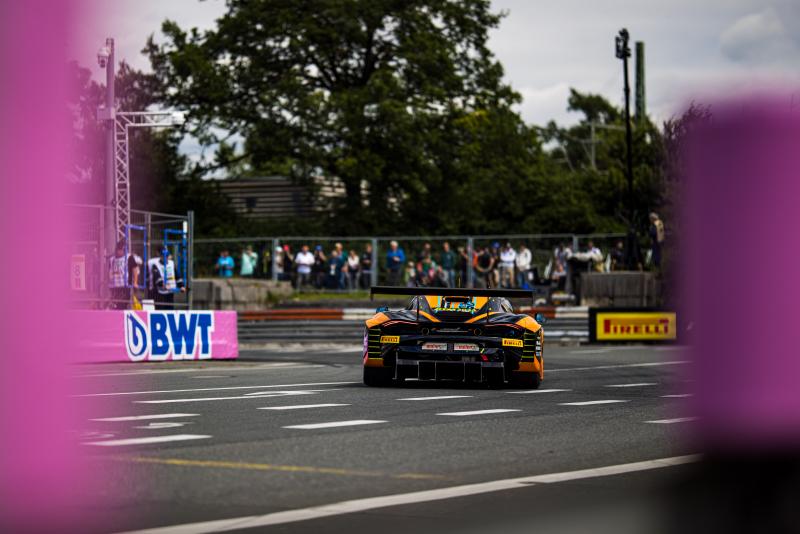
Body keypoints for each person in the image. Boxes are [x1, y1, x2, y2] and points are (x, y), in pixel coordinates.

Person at [108, 240, 137, 309]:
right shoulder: (112, 259)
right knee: (114, 305)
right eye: (117, 249)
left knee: (122, 304)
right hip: (115, 286)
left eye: (120, 250)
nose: (118, 251)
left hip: (125, 286)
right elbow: (110, 271)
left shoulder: (129, 257)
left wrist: (135, 282)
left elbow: (135, 269)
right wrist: (110, 281)